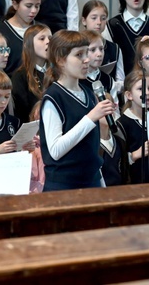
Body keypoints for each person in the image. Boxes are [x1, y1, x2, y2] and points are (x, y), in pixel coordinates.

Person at [39, 31, 114, 191]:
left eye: (87, 53)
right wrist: (90, 118)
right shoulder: (54, 96)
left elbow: (91, 149)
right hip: (64, 186)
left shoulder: (88, 92)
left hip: (91, 181)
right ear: (60, 60)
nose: (87, 59)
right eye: (79, 54)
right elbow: (55, 150)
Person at [0, 0, 43, 75]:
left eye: (37, 6)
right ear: (15, 4)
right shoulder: (0, 33)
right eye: (28, 6)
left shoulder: (41, 31)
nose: (33, 11)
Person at [11, 24, 51, 123]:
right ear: (28, 45)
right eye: (42, 39)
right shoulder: (20, 76)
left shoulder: (57, 73)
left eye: (50, 38)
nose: (48, 42)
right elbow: (21, 113)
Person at [82, 0, 123, 84]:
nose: (99, 22)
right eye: (94, 18)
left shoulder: (114, 49)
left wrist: (113, 85)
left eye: (103, 18)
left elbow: (120, 79)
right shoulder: (76, 46)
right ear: (84, 20)